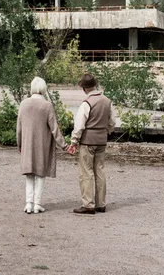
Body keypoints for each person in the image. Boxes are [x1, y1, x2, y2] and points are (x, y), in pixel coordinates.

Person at [17, 76, 73, 214]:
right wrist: (64, 145)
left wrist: (19, 145)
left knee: (29, 173)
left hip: (27, 144)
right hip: (42, 144)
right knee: (40, 174)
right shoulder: (47, 105)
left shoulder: (23, 104)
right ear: (43, 88)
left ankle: (28, 204)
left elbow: (18, 128)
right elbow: (54, 129)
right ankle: (37, 204)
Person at [69, 72, 116, 215]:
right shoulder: (107, 101)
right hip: (102, 140)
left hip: (88, 141)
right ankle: (101, 203)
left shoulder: (87, 103)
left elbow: (79, 125)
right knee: (100, 171)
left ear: (84, 89)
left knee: (86, 172)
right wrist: (105, 131)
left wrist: (74, 141)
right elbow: (112, 122)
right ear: (95, 85)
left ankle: (88, 204)